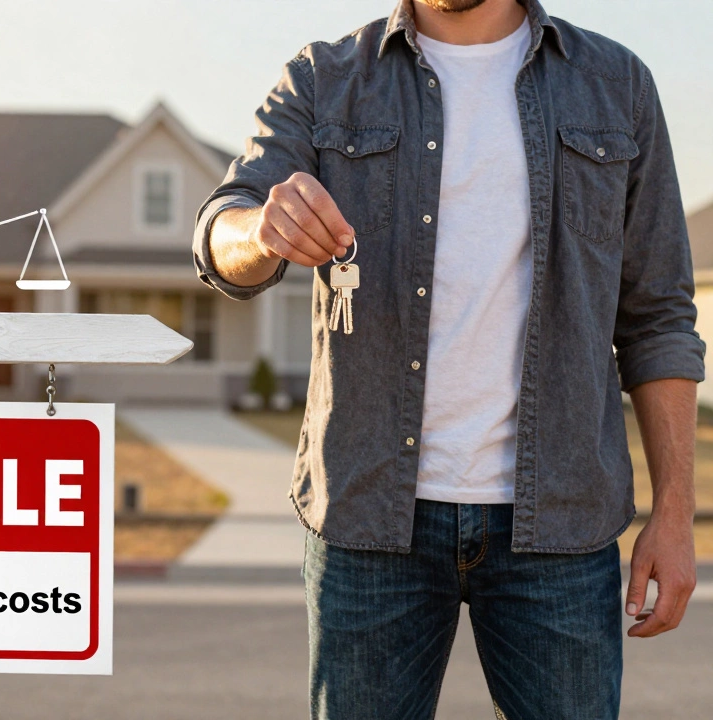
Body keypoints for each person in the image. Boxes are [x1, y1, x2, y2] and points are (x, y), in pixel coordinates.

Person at [192, 0, 702, 717]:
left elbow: (658, 317)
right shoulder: (325, 78)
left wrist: (675, 512)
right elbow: (222, 230)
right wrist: (259, 229)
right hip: (369, 519)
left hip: (561, 524)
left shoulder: (616, 85)